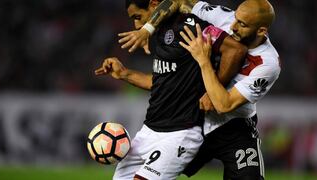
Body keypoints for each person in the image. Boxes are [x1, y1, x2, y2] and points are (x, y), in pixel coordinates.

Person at [118, 0, 281, 179]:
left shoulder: (268, 63)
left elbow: (223, 104)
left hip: (234, 127)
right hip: (195, 122)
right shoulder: (223, 17)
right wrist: (148, 30)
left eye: (242, 24)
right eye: (235, 18)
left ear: (261, 31)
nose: (232, 27)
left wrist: (204, 62)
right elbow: (177, 1)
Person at [95, 0, 247, 179]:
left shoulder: (189, 25)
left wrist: (214, 90)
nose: (137, 25)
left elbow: (235, 50)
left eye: (138, 17)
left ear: (153, 5)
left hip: (180, 133)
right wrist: (124, 74)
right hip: (148, 132)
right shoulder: (159, 34)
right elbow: (161, 82)